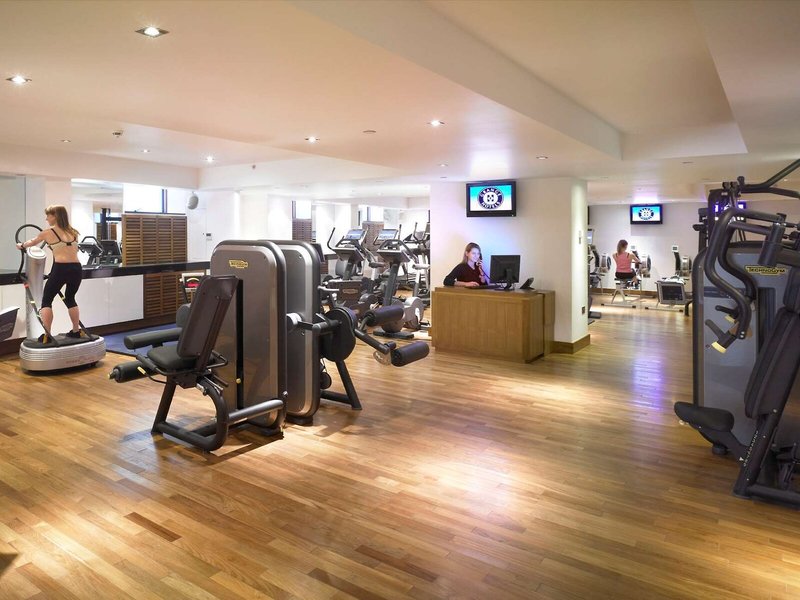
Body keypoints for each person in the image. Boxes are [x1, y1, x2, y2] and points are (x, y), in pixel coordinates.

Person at [16, 205, 84, 341]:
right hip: (76, 269)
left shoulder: (47, 233)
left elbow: (32, 242)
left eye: (48, 216)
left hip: (61, 269)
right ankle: (76, 331)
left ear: (55, 216)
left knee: (46, 301)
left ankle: (47, 336)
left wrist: (21, 245)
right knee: (70, 298)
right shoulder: (73, 232)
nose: (46, 219)